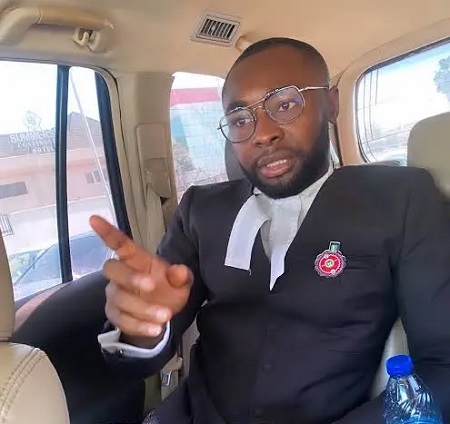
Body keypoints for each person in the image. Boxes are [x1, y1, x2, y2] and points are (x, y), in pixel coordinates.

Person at [91, 37, 450, 424]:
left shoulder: (400, 200)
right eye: (240, 119)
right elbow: (134, 362)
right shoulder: (200, 210)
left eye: (285, 104)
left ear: (331, 104)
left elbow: (442, 364)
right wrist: (143, 330)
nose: (262, 133)